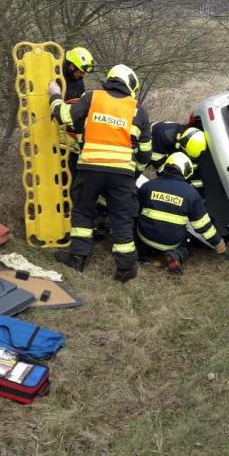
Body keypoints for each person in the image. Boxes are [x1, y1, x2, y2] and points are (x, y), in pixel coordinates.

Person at [48, 64, 152, 282]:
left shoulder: (92, 97)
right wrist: (134, 174)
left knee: (84, 211)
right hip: (122, 173)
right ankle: (124, 269)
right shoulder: (138, 110)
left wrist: (55, 96)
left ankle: (78, 258)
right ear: (130, 85)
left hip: (90, 167)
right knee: (122, 218)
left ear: (111, 78)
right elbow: (145, 153)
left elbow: (65, 116)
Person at [137, 152, 226, 274]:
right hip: (171, 243)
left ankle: (140, 252)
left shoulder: (148, 186)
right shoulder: (191, 194)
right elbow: (202, 225)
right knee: (187, 237)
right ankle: (176, 254)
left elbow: (134, 212)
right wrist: (218, 242)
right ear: (186, 171)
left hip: (145, 238)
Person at [59, 47, 96, 176]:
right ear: (71, 66)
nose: (82, 75)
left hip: (72, 143)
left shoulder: (79, 82)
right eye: (81, 72)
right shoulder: (56, 78)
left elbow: (79, 112)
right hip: (54, 141)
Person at [149, 121, 208, 191]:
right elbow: (158, 163)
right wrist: (173, 175)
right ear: (183, 145)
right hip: (143, 142)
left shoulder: (185, 134)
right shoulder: (164, 137)